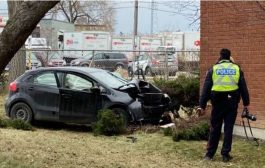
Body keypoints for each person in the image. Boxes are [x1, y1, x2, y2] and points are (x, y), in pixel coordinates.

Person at [197, 48, 250, 162]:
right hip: (232, 104)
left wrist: (202, 105)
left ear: (220, 56)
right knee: (228, 128)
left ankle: (209, 155)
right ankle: (225, 154)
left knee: (215, 128)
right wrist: (246, 103)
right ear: (230, 57)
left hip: (218, 103)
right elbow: (243, 88)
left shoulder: (213, 69)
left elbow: (206, 89)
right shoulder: (237, 69)